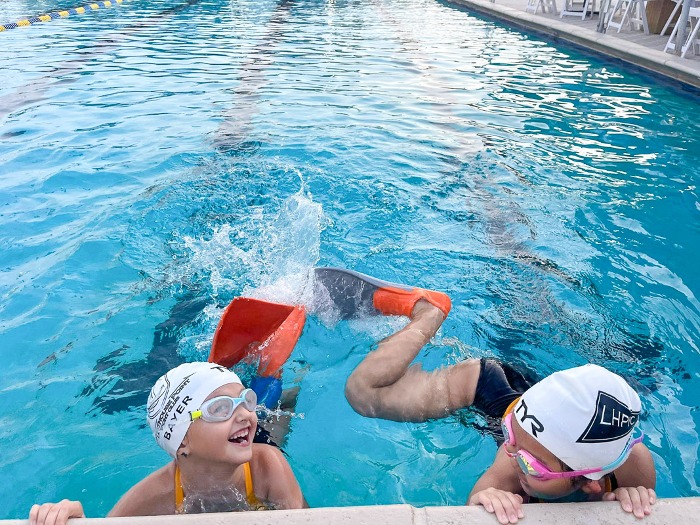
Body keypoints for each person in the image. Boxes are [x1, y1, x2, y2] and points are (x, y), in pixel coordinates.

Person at [344, 296, 656, 523]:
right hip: (492, 387)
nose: (511, 454)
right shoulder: (511, 464)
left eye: (531, 464)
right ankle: (429, 311)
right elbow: (475, 504)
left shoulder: (633, 467)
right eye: (510, 435)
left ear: (590, 481)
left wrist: (634, 498)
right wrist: (484, 498)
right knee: (363, 393)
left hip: (549, 410)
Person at [30, 362, 307, 525]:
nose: (245, 413)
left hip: (248, 444)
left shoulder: (268, 466)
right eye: (220, 408)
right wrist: (78, 518)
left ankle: (281, 388)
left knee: (272, 427)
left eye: (245, 400)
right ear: (182, 439)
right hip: (233, 441)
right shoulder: (151, 497)